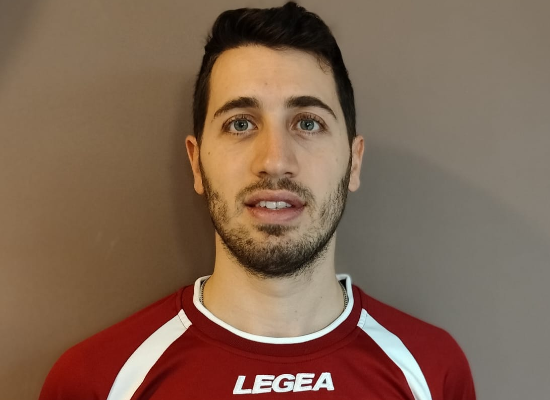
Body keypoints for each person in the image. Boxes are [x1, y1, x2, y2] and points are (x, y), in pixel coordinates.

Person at [40, 2, 476, 399]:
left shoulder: (432, 371)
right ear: (196, 163)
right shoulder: (97, 381)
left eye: (308, 123)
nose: (274, 161)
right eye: (240, 123)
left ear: (354, 161)